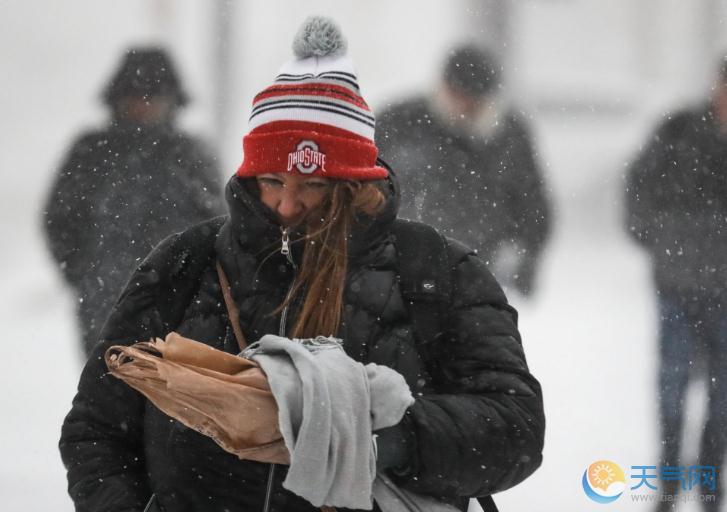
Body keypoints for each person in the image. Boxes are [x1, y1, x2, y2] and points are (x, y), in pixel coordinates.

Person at [59, 18, 544, 512]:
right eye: (271, 180)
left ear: (356, 186)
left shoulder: (439, 270)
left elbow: (515, 427)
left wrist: (392, 440)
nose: (287, 206)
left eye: (314, 185)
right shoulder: (186, 264)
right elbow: (97, 427)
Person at [43, 47, 223, 357]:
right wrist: (85, 274)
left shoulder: (189, 154)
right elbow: (59, 218)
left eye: (153, 97)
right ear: (117, 98)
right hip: (104, 307)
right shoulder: (90, 152)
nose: (143, 105)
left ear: (171, 101)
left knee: (174, 399)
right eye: (136, 96)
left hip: (179, 309)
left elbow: (217, 225)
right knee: (108, 395)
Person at [625, 57, 727, 510]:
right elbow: (639, 188)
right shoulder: (679, 130)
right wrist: (659, 240)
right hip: (678, 283)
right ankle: (669, 477)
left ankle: (710, 478)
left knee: (722, 389)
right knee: (673, 382)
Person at [376, 45, 551, 297]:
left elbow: (533, 203)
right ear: (444, 87)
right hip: (403, 272)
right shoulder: (399, 122)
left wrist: (526, 260)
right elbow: (362, 189)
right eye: (459, 96)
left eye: (475, 101)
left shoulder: (509, 135)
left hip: (481, 275)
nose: (465, 107)